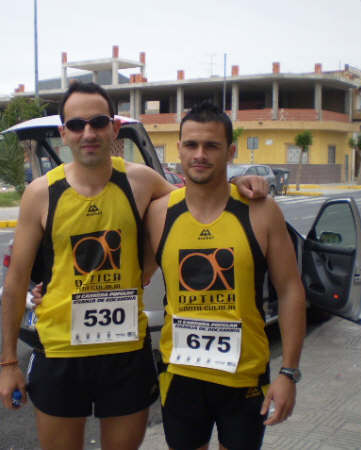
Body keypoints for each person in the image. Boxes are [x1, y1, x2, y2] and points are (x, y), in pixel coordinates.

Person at [0, 82, 268, 450]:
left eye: (97, 122)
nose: (88, 133)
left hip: (125, 354)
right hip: (61, 353)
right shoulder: (41, 192)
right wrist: (9, 363)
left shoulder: (140, 181)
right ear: (64, 134)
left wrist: (237, 180)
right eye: (76, 125)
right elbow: (15, 283)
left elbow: (200, 199)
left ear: (114, 129)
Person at [144, 101, 306, 450]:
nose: (200, 154)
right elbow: (127, 276)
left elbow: (291, 290)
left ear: (231, 151)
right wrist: (47, 290)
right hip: (181, 374)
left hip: (244, 377)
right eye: (191, 145)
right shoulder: (158, 214)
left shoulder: (261, 211)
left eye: (212, 146)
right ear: (178, 148)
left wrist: (288, 372)